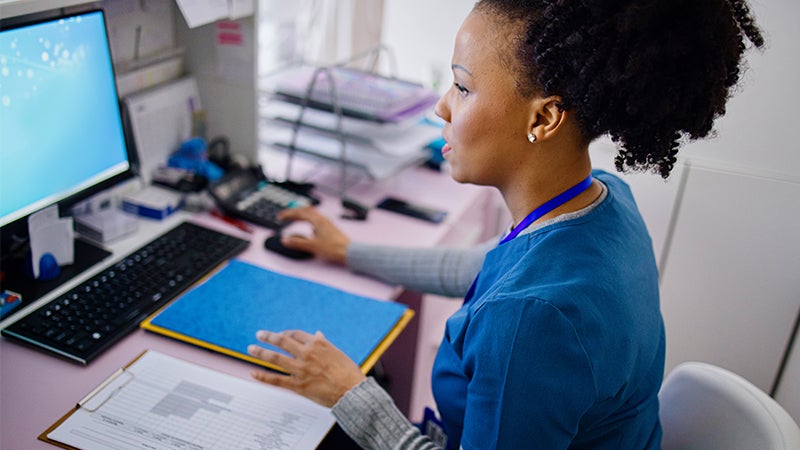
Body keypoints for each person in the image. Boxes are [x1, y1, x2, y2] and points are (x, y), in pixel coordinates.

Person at [246, 0, 764, 448]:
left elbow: (516, 300)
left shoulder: (528, 320)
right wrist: (348, 251)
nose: (440, 106)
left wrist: (349, 393)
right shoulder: (604, 202)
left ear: (543, 119)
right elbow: (484, 267)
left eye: (463, 87)